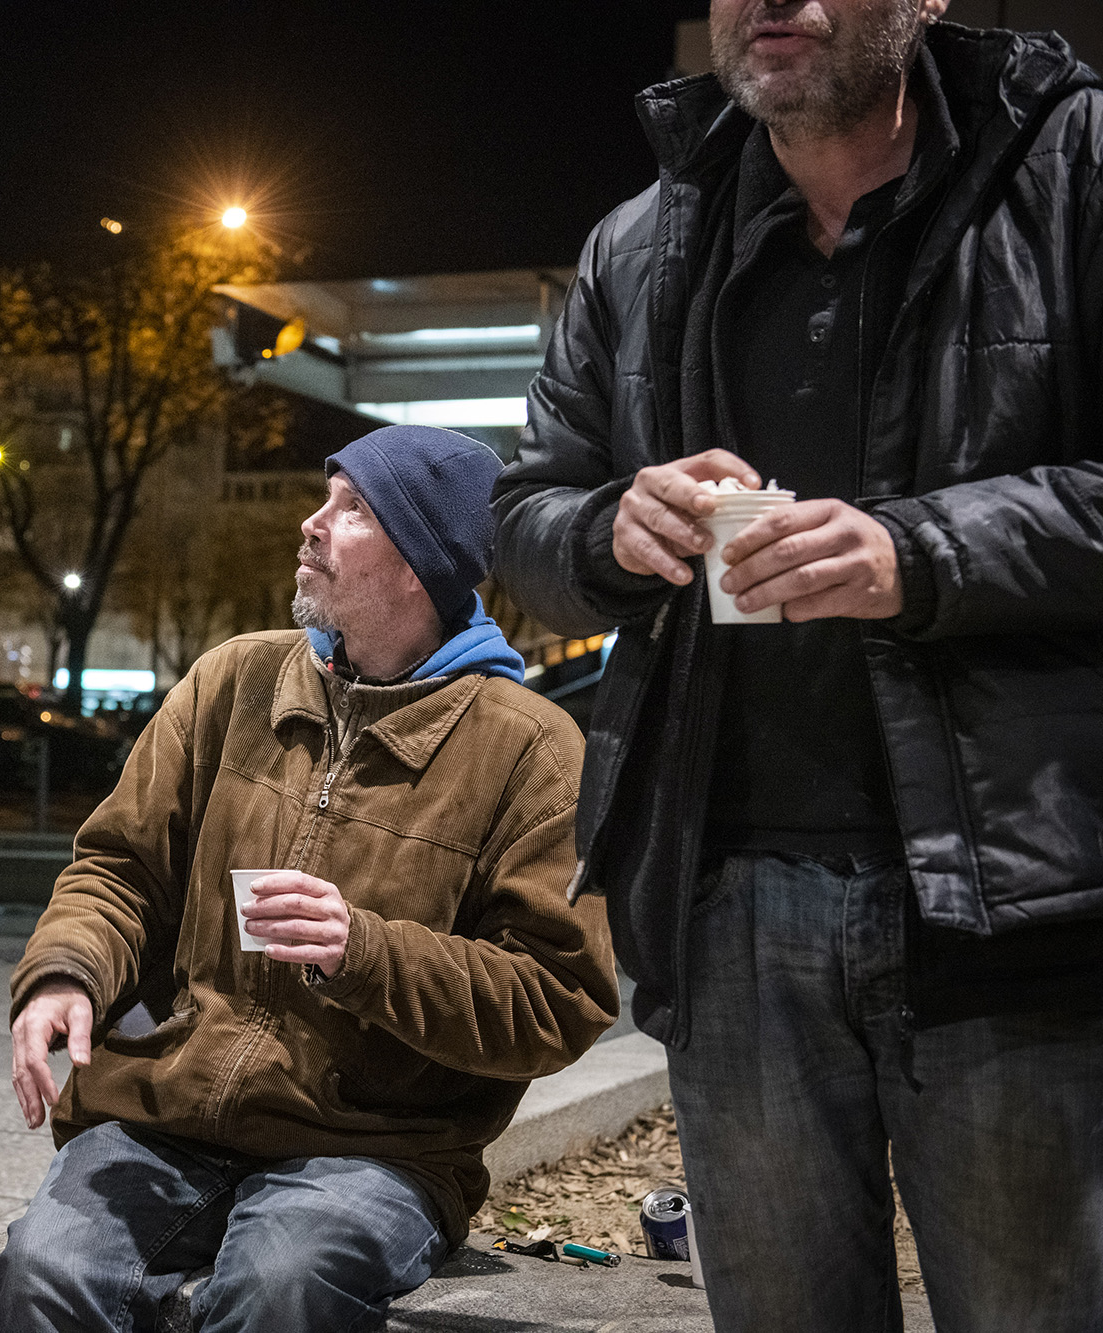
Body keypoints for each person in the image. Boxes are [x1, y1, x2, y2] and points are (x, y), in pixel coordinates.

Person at [492, 3, 1103, 1329]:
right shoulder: (644, 239)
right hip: (729, 902)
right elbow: (526, 510)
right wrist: (607, 528)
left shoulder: (1074, 171)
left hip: (1017, 913)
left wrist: (920, 553)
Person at [0, 425, 617, 1333]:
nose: (312, 523)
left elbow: (558, 998)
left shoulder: (531, 753)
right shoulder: (231, 681)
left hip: (375, 1149)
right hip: (171, 1110)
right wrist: (65, 973)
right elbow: (120, 868)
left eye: (352, 509)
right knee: (45, 1269)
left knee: (279, 1288)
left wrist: (362, 950)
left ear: (420, 563)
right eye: (326, 498)